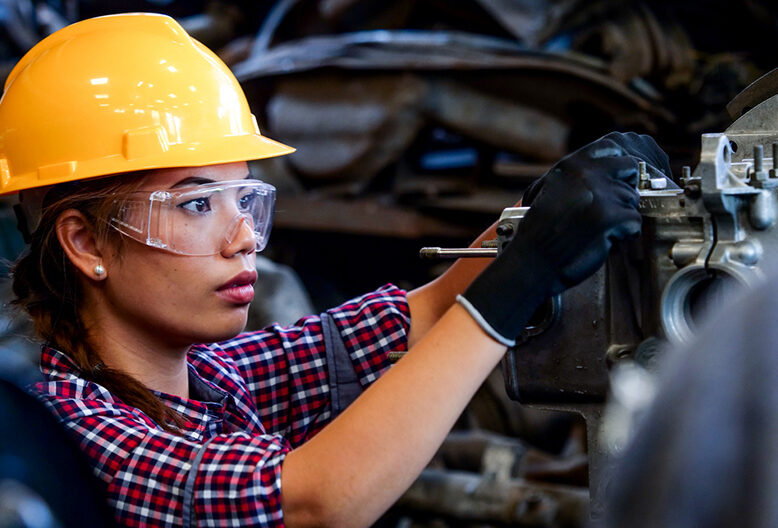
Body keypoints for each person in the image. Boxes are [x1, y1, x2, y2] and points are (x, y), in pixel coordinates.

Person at [0, 12, 664, 528]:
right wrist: (524, 278)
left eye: (246, 200)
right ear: (85, 243)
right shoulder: (74, 433)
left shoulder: (211, 379)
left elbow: (426, 313)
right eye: (197, 203)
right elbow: (315, 502)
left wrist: (543, 207)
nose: (243, 240)